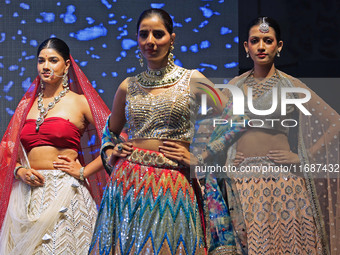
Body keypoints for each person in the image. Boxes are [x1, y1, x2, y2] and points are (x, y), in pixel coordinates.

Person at [88, 8, 244, 255]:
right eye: (143, 34)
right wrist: (111, 149)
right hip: (127, 184)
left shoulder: (192, 79)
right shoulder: (128, 86)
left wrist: (202, 157)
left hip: (173, 182)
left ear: (172, 38)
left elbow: (236, 117)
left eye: (158, 34)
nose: (150, 41)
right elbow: (110, 131)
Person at [215, 17, 340, 254]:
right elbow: (219, 133)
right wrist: (228, 160)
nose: (261, 46)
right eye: (255, 41)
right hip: (243, 184)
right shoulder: (235, 86)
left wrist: (304, 157)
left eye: (268, 40)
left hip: (284, 182)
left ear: (279, 46)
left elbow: (335, 123)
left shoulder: (292, 85)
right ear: (246, 47)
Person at [0, 38, 110, 254]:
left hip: (66, 195)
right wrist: (19, 171)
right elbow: (6, 148)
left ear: (67, 65)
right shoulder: (26, 105)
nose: (46, 66)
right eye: (41, 61)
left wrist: (84, 171)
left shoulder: (79, 102)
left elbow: (117, 141)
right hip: (25, 196)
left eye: (53, 60)